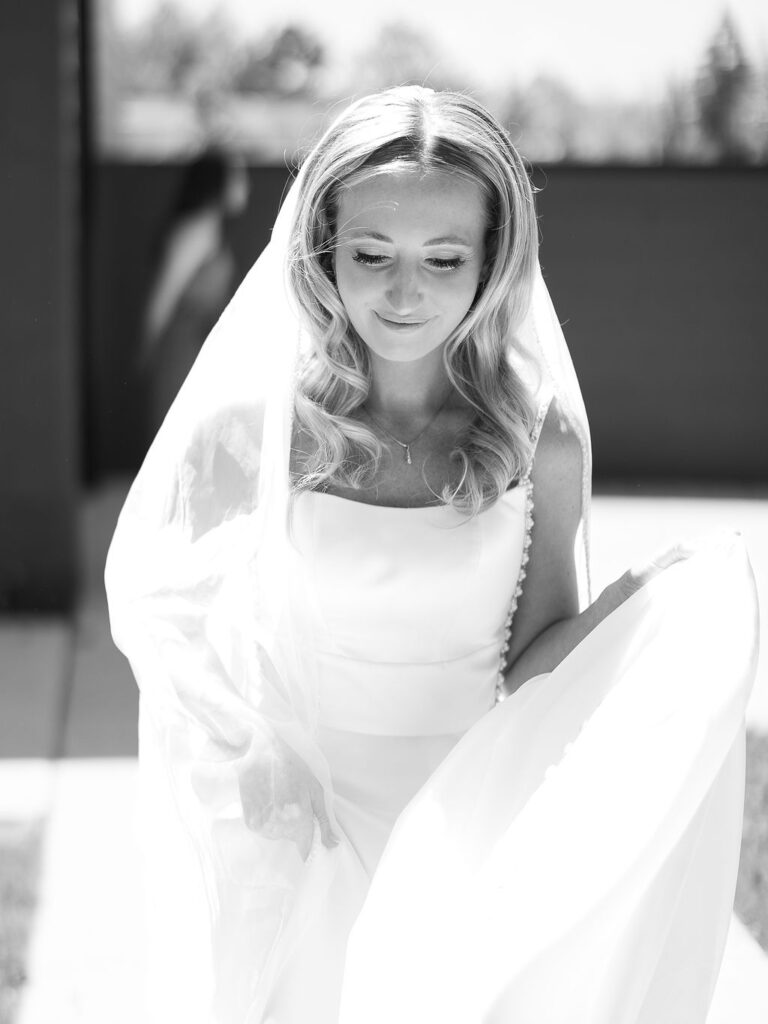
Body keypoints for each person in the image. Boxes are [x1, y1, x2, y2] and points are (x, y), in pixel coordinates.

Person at [106, 87, 758, 1024]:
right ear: (322, 248)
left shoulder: (539, 441)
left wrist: (646, 599)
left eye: (444, 259)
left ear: (494, 261)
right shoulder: (255, 432)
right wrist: (257, 760)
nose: (404, 293)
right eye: (371, 254)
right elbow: (170, 618)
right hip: (299, 833)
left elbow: (531, 666)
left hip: (466, 821)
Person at [139, 147, 249, 438]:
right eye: (236, 174)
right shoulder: (197, 229)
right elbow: (165, 292)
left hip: (200, 347)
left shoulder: (213, 228)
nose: (243, 183)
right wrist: (148, 347)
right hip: (183, 349)